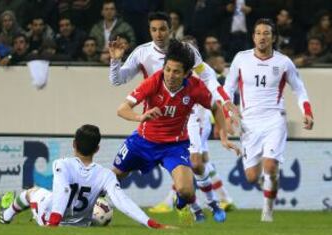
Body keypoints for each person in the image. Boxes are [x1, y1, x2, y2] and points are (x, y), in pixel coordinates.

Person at [108, 12, 239, 222]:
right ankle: (88, 204)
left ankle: (190, 201)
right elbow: (117, 82)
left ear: (171, 29)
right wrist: (115, 61)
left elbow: (207, 76)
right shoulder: (144, 59)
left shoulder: (188, 54)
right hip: (149, 127)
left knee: (191, 179)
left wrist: (224, 101)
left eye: (162, 29)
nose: (158, 34)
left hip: (182, 120)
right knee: (109, 179)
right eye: (153, 30)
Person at [223, 18, 314, 222]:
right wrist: (228, 114)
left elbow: (299, 89)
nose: (262, 37)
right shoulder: (241, 59)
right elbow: (228, 89)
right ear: (253, 36)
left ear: (273, 37)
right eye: (258, 33)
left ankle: (267, 212)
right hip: (248, 123)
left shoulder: (283, 62)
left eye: (266, 33)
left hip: (275, 119)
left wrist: (307, 111)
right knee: (251, 177)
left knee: (270, 166)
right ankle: (270, 183)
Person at [0, 124, 169, 229]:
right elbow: (122, 201)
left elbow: (63, 191)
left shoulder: (61, 164)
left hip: (51, 219)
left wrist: (53, 222)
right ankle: (7, 214)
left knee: (31, 193)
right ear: (97, 149)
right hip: (81, 224)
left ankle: (6, 215)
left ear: (74, 144)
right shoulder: (106, 175)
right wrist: (149, 222)